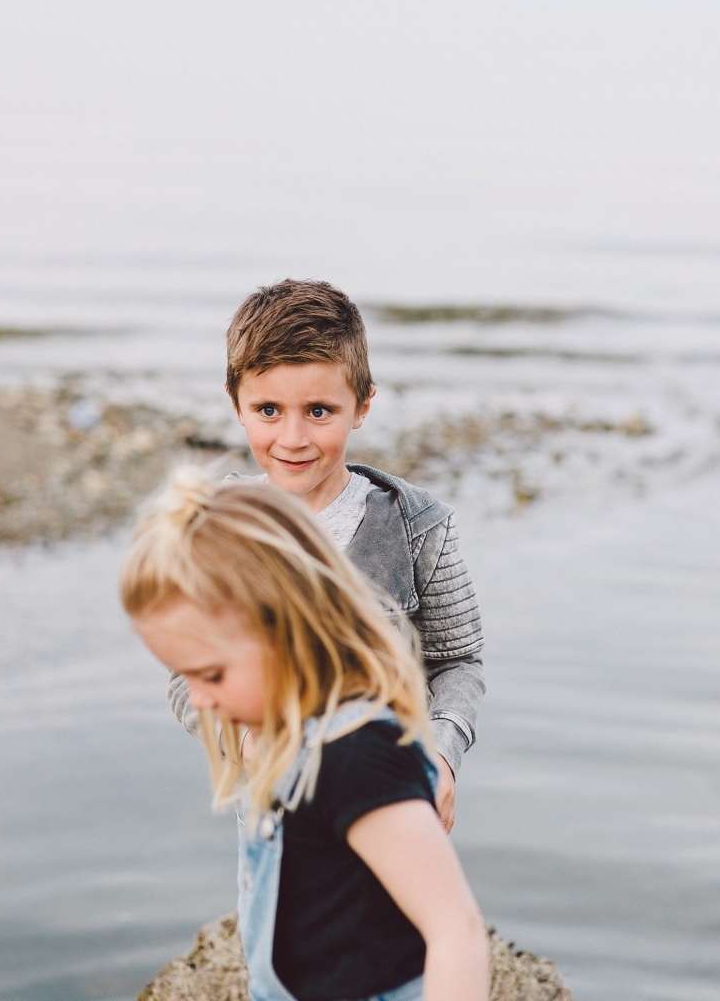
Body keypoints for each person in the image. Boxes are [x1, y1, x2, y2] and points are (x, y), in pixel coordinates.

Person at [121, 468, 490, 1001]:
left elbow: (456, 930)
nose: (198, 701)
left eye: (212, 675)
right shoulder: (286, 744)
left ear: (284, 628)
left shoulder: (359, 753)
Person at [169, 278, 485, 832]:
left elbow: (458, 661)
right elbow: (188, 676)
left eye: (319, 411)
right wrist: (243, 739)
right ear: (235, 404)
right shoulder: (216, 531)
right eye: (268, 409)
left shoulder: (417, 528)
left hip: (393, 807)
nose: (292, 438)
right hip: (271, 817)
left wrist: (440, 758)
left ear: (361, 405)